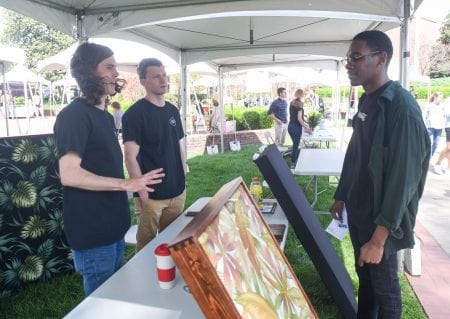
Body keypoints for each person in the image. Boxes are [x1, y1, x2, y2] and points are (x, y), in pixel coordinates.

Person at [329, 30, 430, 318]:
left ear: (381, 58)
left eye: (357, 57)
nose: (350, 63)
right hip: (359, 210)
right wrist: (341, 194)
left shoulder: (402, 108)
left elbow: (404, 180)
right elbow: (356, 151)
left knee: (386, 292)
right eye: (348, 58)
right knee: (368, 281)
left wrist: (378, 239)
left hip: (380, 221)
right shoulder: (367, 99)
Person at [53, 43, 164, 296]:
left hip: (112, 226)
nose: (117, 73)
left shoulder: (103, 115)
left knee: (117, 295)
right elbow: (69, 174)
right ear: (89, 72)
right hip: (92, 231)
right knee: (101, 303)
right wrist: (126, 184)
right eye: (110, 67)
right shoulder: (74, 115)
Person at [122, 58, 187, 252]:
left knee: (172, 243)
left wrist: (183, 178)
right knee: (146, 246)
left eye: (164, 75)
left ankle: (165, 278)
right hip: (151, 195)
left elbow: (179, 146)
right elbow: (130, 157)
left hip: (177, 191)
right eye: (156, 76)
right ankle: (142, 280)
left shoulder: (172, 110)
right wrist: (141, 191)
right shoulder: (134, 114)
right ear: (143, 81)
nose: (163, 80)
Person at [287, 89, 311, 168]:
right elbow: (299, 119)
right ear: (301, 95)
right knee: (295, 146)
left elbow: (295, 117)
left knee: (295, 145)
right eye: (304, 94)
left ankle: (296, 159)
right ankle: (293, 163)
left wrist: (306, 125)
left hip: (290, 126)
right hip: (296, 127)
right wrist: (306, 128)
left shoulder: (292, 102)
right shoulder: (300, 104)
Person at [424, 92, 445, 157]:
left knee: (436, 144)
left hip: (439, 128)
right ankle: (428, 159)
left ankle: (430, 156)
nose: (441, 99)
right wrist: (425, 124)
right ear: (435, 97)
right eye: (440, 97)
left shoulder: (442, 106)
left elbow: (445, 115)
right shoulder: (430, 105)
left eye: (442, 97)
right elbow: (424, 115)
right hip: (431, 127)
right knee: (430, 143)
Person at [433, 97, 450, 174]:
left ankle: (448, 167)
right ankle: (437, 164)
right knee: (448, 148)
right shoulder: (448, 100)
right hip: (449, 126)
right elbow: (446, 113)